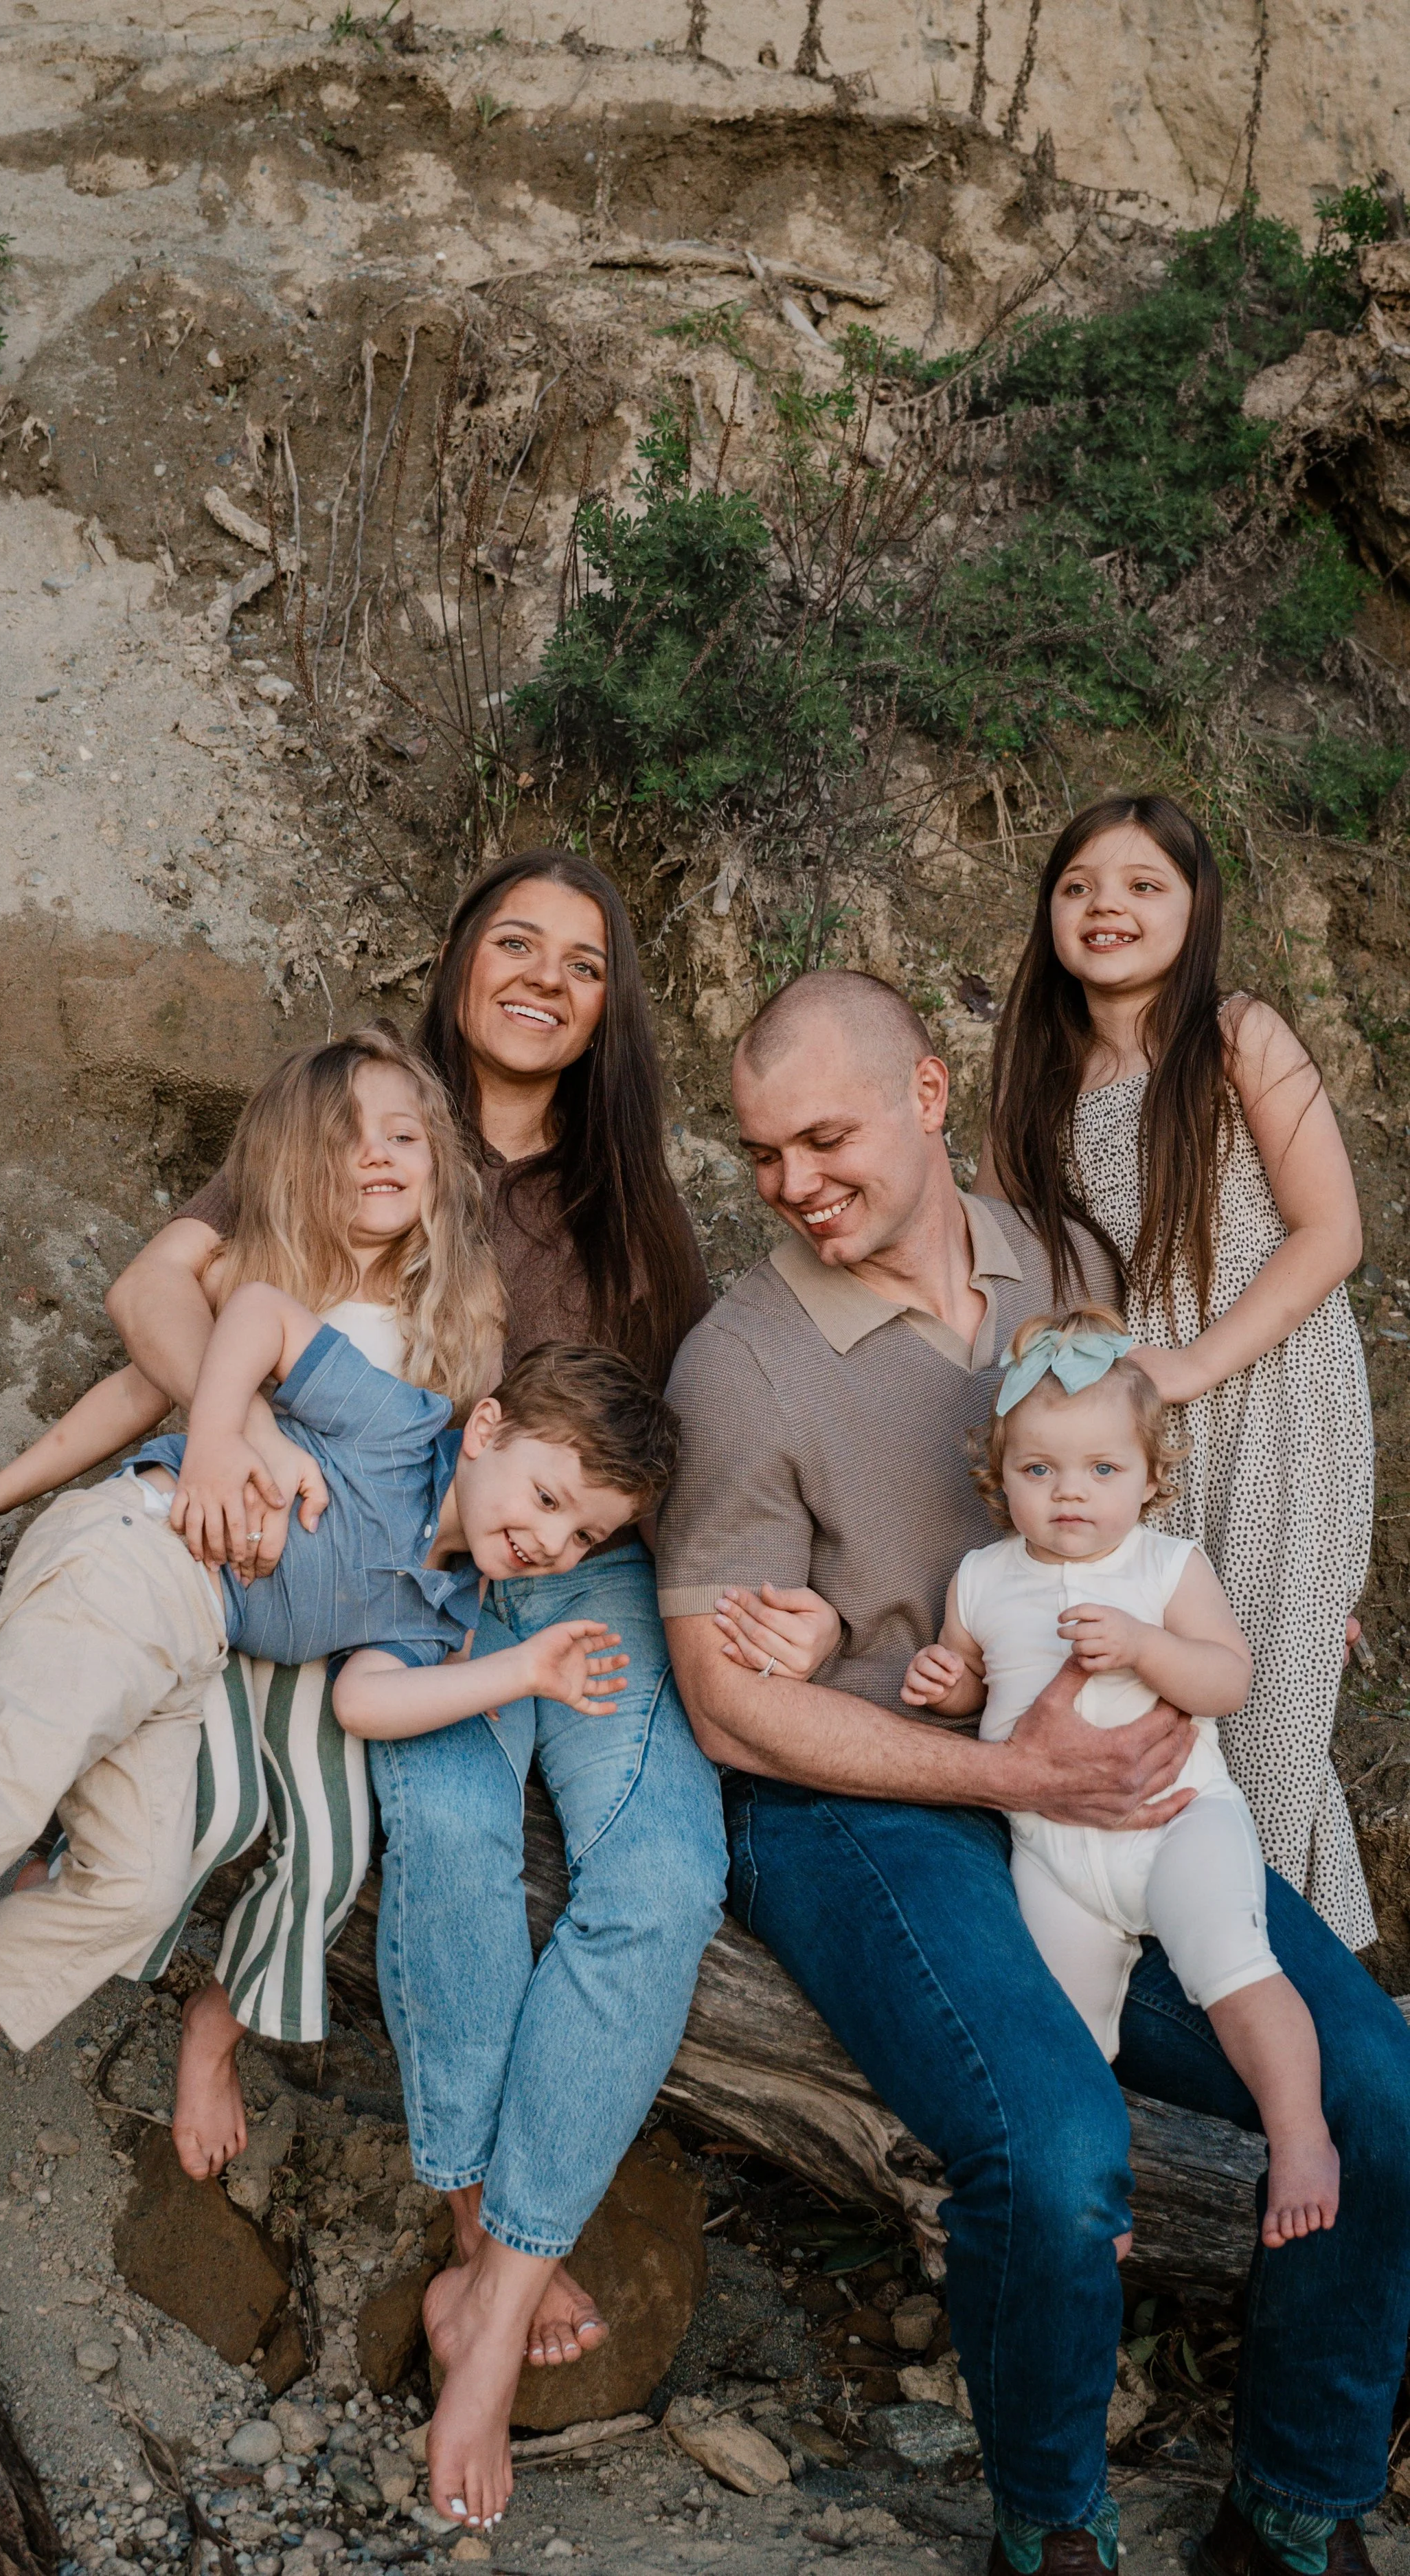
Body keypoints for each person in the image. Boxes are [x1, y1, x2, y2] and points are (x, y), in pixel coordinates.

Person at [659, 963, 1410, 2576]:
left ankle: (1289, 2512)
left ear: (927, 1097)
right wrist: (1011, 1780)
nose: (793, 1184)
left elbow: (1214, 1438)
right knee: (1058, 2150)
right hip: (869, 1815)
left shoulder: (1063, 1262)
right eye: (762, 1154)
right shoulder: (739, 1363)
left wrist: (1292, 1588)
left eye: (824, 1136)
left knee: (1381, 2093)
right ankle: (1048, 2531)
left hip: (1121, 1803)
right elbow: (727, 1710)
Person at [106, 848, 738, 2518]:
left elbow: (686, 1438)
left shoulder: (626, 1194)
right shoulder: (368, 1130)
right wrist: (246, 1439)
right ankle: (477, 2234)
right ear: (459, 962)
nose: (542, 976)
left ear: (611, 1009)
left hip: (583, 1570)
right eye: (512, 942)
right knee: (452, 1846)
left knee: (664, 1874)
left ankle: (500, 2296)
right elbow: (166, 1290)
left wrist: (766, 1613)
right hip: (401, 1571)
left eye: (583, 961)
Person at [0, 1297, 670, 2165]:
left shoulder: (443, 1606)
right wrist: (215, 1434)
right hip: (131, 1557)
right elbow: (256, 1311)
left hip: (190, 1651)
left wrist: (523, 1668)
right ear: (487, 1429)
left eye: (583, 1535)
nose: (552, 1540)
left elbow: (362, 1703)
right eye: (549, 1498)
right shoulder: (399, 1425)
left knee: (136, 1886)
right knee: (13, 1778)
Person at [0, 1024, 506, 2157]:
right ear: (290, 1169)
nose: (377, 1157)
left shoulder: (460, 1320)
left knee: (329, 1851)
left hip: (341, 1632)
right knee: (205, 1814)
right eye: (344, 1142)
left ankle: (216, 2028)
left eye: (404, 1136)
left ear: (442, 1163)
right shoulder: (257, 1276)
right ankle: (47, 1891)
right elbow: (132, 1388)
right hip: (220, 1593)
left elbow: (464, 1485)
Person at [983, 793, 1374, 1947]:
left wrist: (1195, 1361)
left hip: (1276, 1401)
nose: (1108, 903)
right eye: (1079, 885)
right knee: (1174, 1696)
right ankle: (1207, 1994)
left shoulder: (1238, 1032)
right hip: (1141, 1431)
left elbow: (1329, 1231)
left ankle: (1308, 2000)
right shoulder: (1038, 1087)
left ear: (1196, 909)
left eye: (1144, 884)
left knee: (1276, 1716)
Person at [903, 1304, 1337, 2250]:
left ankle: (1301, 2135)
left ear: (1149, 1480)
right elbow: (973, 1681)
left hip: (1180, 1823)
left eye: (1103, 1469)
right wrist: (947, 1683)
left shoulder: (1164, 1565)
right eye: (1039, 1470)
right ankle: (1102, 2182)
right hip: (1055, 1851)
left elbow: (1229, 1676)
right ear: (999, 1477)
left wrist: (1145, 1644)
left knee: (1233, 1964)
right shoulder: (981, 1577)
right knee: (1062, 2026)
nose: (1071, 1494)